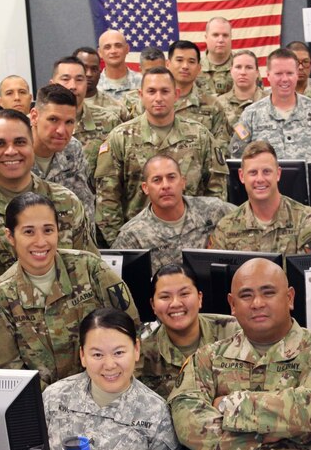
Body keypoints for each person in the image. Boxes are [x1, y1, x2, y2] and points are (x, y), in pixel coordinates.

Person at [168, 258, 311, 450]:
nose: (257, 303)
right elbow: (187, 422)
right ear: (232, 305)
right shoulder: (208, 358)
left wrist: (228, 404)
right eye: (246, 295)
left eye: (268, 293)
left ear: (290, 297)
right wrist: (268, 437)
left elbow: (308, 414)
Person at [0, 193, 139, 388]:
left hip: (106, 392)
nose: (41, 242)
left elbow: (131, 330)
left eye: (48, 230)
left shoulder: (91, 269)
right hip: (43, 407)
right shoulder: (1, 297)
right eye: (29, 232)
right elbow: (6, 372)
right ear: (10, 236)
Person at [0, 109, 97, 282]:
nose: (11, 151)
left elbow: (90, 271)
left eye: (20, 142)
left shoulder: (66, 202)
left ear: (32, 145)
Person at [94, 66, 229, 246]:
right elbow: (107, 199)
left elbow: (217, 191)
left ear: (176, 94)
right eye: (151, 91)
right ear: (141, 95)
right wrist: (122, 247)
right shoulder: (120, 138)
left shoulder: (199, 135)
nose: (158, 98)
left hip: (193, 240)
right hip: (140, 242)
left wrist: (210, 238)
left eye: (165, 91)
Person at [42, 307, 179, 450]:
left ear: (136, 349)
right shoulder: (54, 397)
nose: (109, 365)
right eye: (97, 355)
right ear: (82, 356)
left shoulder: (155, 411)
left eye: (119, 353)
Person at [0, 84, 96, 224]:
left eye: (69, 122)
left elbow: (84, 205)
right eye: (53, 120)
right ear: (34, 117)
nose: (61, 130)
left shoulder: (72, 148)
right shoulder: (2, 151)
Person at [113, 155, 233, 275]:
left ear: (183, 182)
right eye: (157, 180)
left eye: (171, 177)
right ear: (145, 188)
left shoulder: (213, 209)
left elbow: (247, 217)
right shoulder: (132, 235)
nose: (165, 185)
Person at [139, 264, 240, 398]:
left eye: (184, 294)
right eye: (165, 297)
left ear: (199, 298)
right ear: (153, 305)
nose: (175, 303)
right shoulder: (142, 354)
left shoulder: (234, 332)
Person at [208, 140, 311, 253]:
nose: (260, 179)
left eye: (266, 172)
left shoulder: (306, 220)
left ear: (278, 174)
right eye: (253, 173)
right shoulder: (226, 227)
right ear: (241, 176)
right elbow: (217, 272)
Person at [229, 48, 311, 161]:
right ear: (268, 75)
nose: (284, 79)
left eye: (289, 73)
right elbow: (237, 160)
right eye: (278, 74)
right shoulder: (250, 115)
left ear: (297, 74)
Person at [166, 40, 225, 138]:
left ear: (199, 68)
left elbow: (222, 145)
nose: (185, 66)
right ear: (168, 64)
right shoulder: (153, 100)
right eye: (179, 60)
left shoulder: (212, 105)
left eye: (191, 61)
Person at [213, 50, 267, 148]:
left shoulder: (268, 102)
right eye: (238, 67)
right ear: (231, 71)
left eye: (249, 67)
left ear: (257, 73)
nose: (243, 72)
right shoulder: (218, 104)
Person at [74, 46, 130, 116]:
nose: (89, 74)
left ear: (100, 72)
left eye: (94, 69)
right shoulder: (61, 103)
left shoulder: (116, 109)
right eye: (84, 69)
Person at [97, 29, 141, 100]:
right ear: (100, 53)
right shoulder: (94, 86)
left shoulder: (142, 82)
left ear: (127, 49)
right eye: (107, 47)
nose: (113, 51)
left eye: (118, 46)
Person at [197, 16, 235, 98]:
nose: (221, 40)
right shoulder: (195, 67)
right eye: (215, 35)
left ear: (231, 38)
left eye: (225, 35)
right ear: (206, 38)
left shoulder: (243, 65)